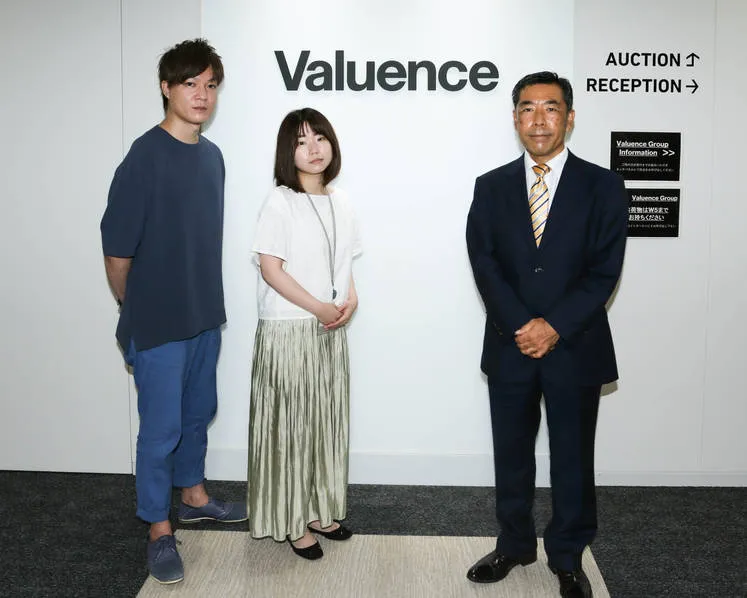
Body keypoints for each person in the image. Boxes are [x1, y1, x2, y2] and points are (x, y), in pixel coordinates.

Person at [465, 72, 627, 598]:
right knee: (511, 454)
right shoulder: (490, 186)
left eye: (551, 108)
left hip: (575, 345)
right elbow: (484, 263)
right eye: (528, 108)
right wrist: (523, 325)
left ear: (569, 117)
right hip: (510, 344)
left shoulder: (603, 185)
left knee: (573, 458)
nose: (539, 119)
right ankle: (513, 544)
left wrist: (554, 326)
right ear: (515, 118)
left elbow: (604, 270)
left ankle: (568, 556)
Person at [100, 38, 246, 585]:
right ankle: (159, 527)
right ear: (166, 87)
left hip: (204, 314)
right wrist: (133, 305)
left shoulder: (213, 157)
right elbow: (117, 252)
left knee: (197, 413)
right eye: (190, 84)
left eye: (210, 85)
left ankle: (194, 497)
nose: (202, 95)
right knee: (160, 430)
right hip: (158, 321)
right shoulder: (144, 156)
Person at [247, 108, 361, 560]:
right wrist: (319, 307)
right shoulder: (279, 201)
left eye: (320, 138)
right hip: (289, 330)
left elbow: (344, 262)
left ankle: (318, 510)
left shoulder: (342, 201)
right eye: (300, 141)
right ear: (287, 152)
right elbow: (271, 270)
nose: (313, 149)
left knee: (323, 424)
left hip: (329, 328)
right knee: (292, 429)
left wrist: (350, 299)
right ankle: (292, 520)